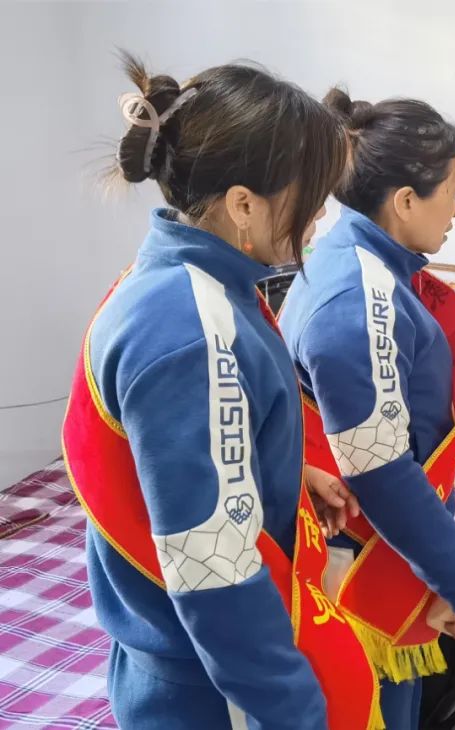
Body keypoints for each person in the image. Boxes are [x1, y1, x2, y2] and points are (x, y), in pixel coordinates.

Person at [61, 55, 379, 728]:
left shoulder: (182, 283)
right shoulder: (190, 326)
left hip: (193, 662)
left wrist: (283, 473)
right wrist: (296, 713)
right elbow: (213, 571)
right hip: (213, 684)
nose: (321, 214)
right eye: (311, 195)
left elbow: (178, 462)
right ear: (243, 205)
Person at [279, 89, 455, 729]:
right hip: (366, 553)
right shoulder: (355, 299)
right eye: (452, 191)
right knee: (377, 710)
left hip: (388, 537)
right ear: (405, 201)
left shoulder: (361, 260)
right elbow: (382, 471)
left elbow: (395, 379)